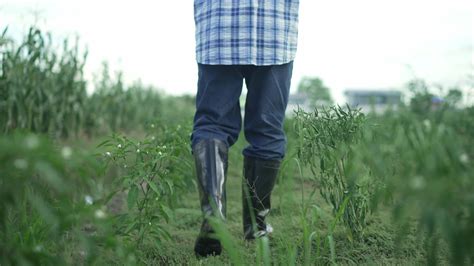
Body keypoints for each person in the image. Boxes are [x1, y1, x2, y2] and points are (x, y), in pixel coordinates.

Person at [191, 0, 300, 257]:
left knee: (211, 125)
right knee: (267, 131)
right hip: (274, 27)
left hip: (219, 26)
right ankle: (257, 227)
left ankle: (214, 219)